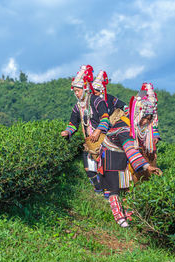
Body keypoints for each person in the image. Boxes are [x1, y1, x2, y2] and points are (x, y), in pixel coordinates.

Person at [98, 95, 162, 228]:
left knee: (127, 186)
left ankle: (129, 214)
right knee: (114, 187)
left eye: (148, 119)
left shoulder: (134, 124)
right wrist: (147, 167)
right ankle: (119, 218)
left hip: (122, 154)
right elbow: (130, 149)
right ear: (138, 114)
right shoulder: (125, 127)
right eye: (145, 118)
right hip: (110, 154)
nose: (145, 121)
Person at [61, 65, 110, 193]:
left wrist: (97, 132)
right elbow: (73, 124)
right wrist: (67, 131)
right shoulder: (77, 107)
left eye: (78, 91)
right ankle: (99, 192)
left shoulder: (97, 101)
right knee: (89, 170)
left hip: (103, 140)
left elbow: (105, 118)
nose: (76, 94)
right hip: (89, 141)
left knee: (105, 168)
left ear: (85, 89)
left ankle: (108, 192)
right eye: (75, 91)